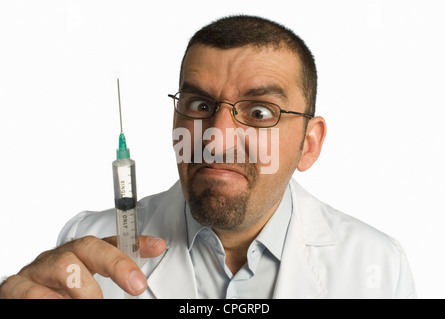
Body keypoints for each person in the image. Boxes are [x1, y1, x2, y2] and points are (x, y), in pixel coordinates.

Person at [0, 15, 416, 299]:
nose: (215, 139)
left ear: (308, 143)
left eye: (258, 112)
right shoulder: (87, 247)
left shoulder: (376, 266)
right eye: (199, 105)